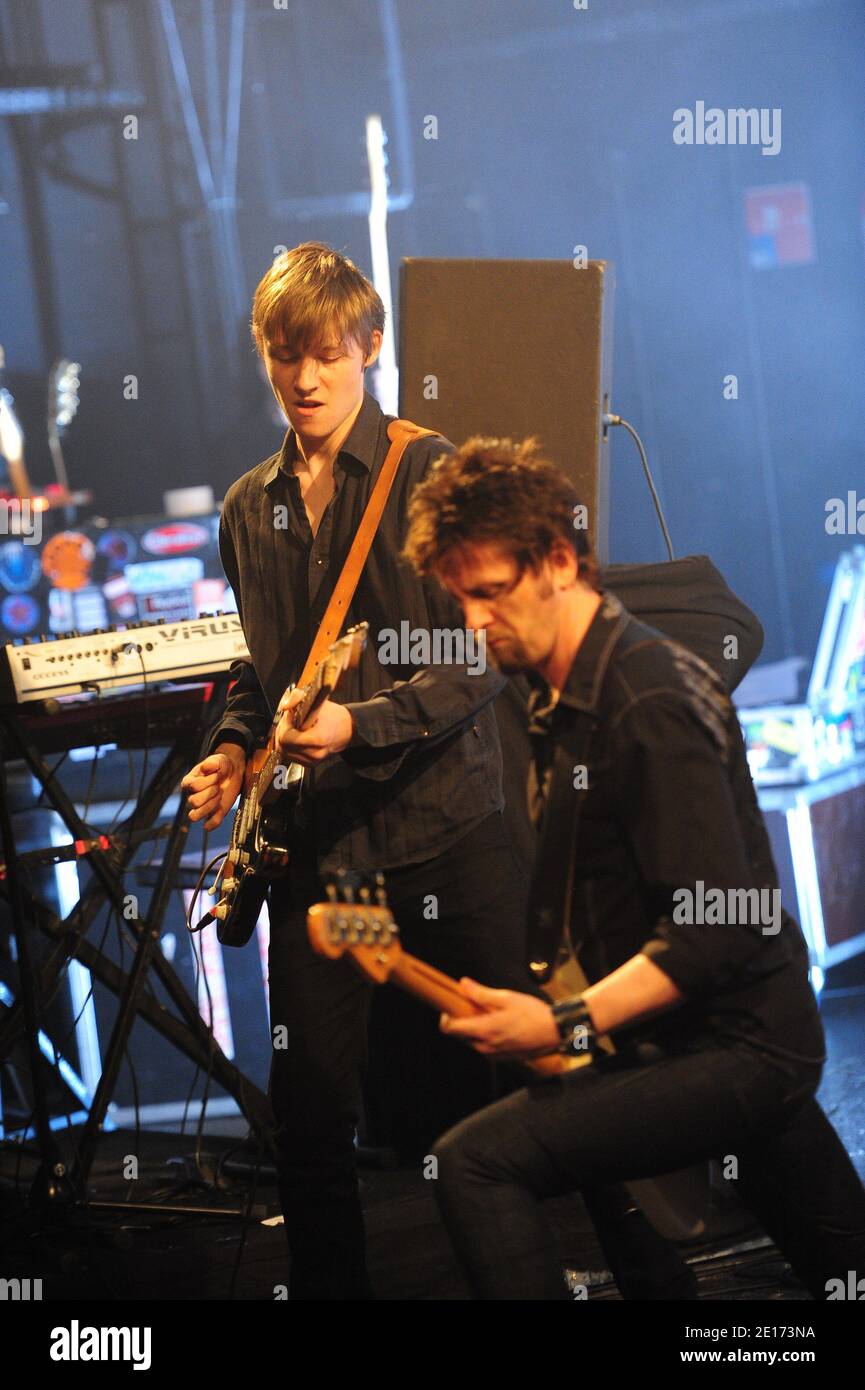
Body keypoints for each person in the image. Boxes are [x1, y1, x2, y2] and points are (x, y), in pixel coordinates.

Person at [401, 435, 865, 1300]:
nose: (472, 621)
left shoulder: (643, 697)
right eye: (459, 599)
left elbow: (710, 936)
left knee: (473, 1165)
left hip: (737, 1046)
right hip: (707, 1034)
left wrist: (565, 1025)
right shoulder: (562, 689)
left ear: (559, 560)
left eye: (490, 593)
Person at [179, 244, 558, 1298]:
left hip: (450, 832)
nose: (305, 378)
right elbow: (267, 670)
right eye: (284, 355)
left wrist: (362, 724)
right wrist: (228, 748)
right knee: (304, 1115)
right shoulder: (247, 509)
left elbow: (479, 653)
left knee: (550, 1071)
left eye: (327, 355)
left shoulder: (428, 470)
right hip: (326, 856)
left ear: (371, 348)